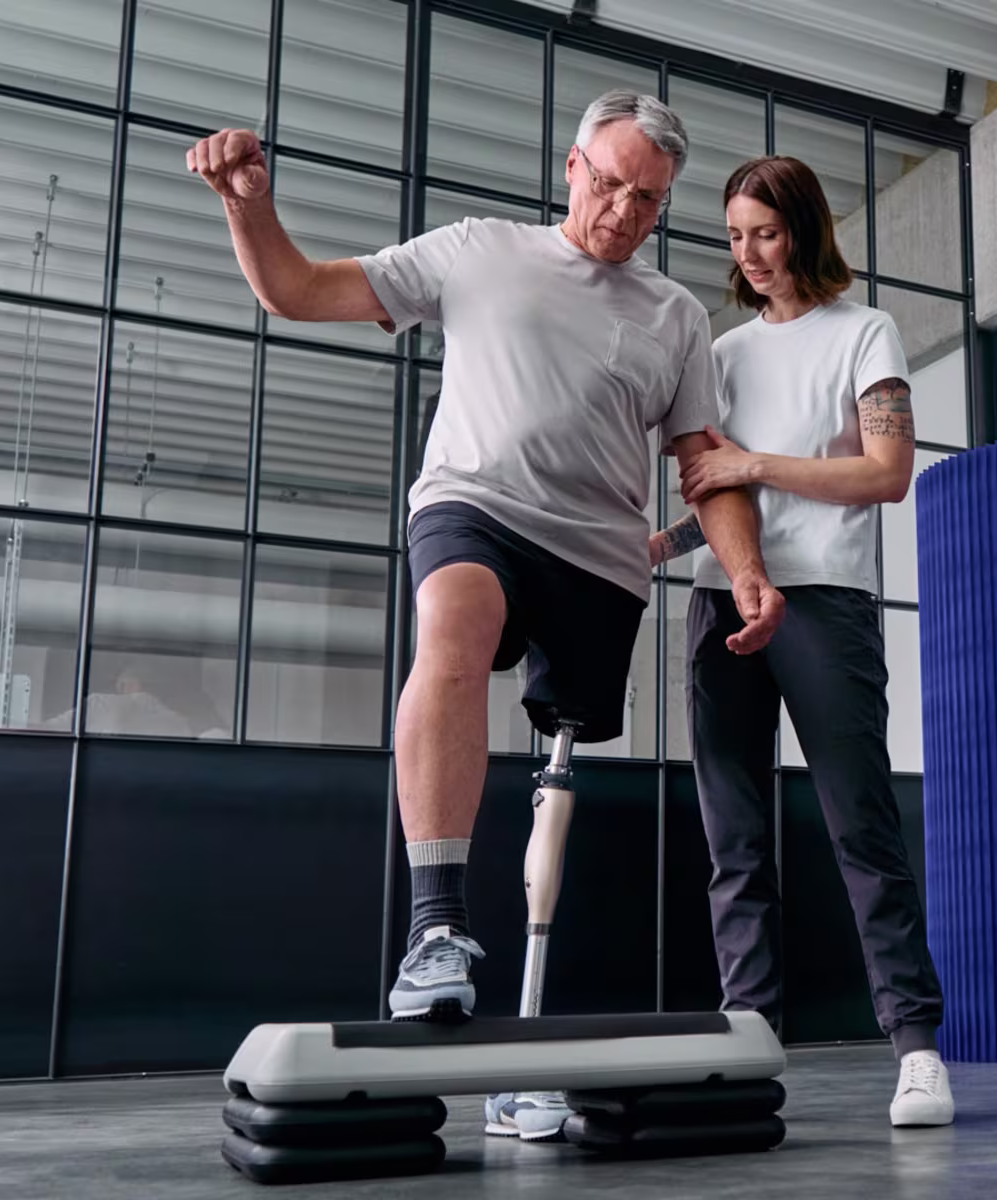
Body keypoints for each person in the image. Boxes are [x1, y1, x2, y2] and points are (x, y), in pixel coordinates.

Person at [187, 91, 784, 1140]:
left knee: (560, 771)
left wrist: (744, 572)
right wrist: (249, 207)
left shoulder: (676, 317)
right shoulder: (478, 250)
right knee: (452, 627)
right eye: (607, 183)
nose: (621, 210)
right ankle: (436, 930)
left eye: (647, 199)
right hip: (474, 507)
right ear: (570, 165)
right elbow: (299, 290)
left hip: (600, 563)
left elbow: (705, 466)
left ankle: (524, 1048)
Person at [650, 155, 954, 1128]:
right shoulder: (723, 354)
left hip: (827, 600)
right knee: (733, 841)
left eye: (767, 234)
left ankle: (915, 1048)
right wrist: (667, 537)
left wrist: (753, 461)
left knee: (860, 826)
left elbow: (886, 472)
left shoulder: (866, 333)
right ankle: (748, 1043)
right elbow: (724, 493)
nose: (750, 254)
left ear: (806, 230)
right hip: (719, 603)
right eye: (735, 236)